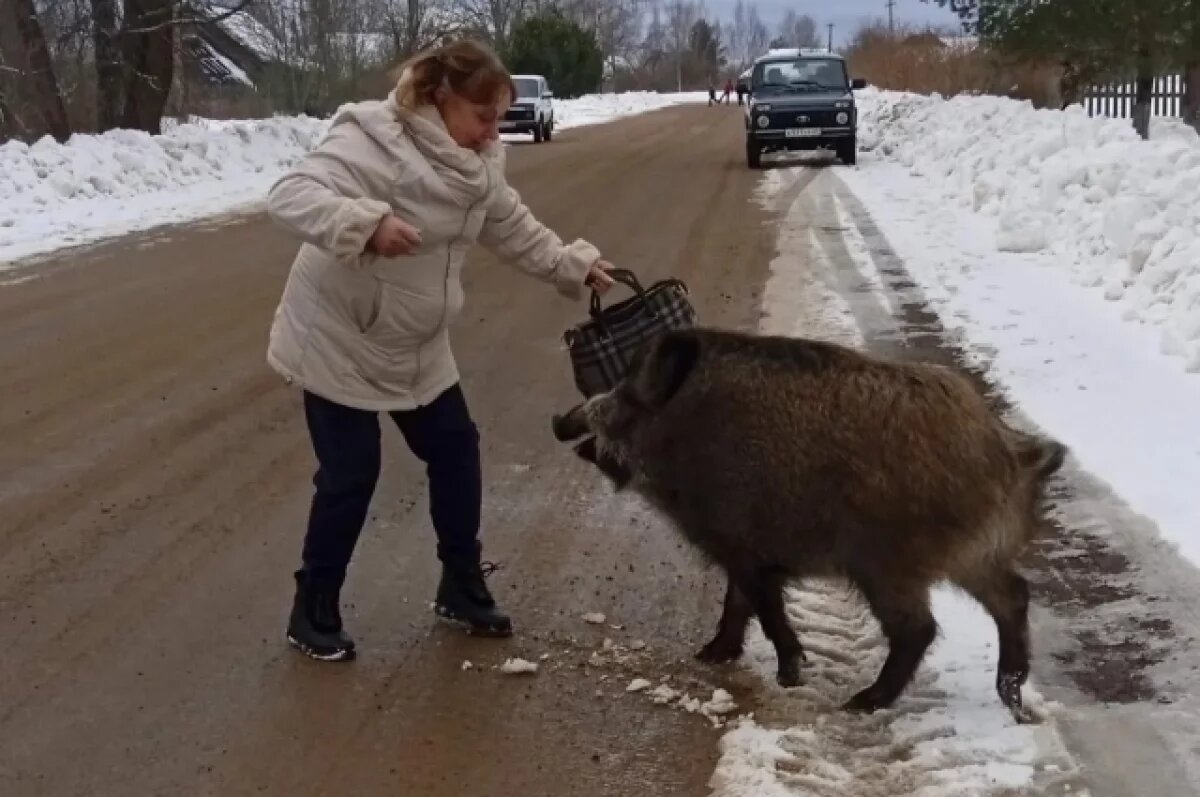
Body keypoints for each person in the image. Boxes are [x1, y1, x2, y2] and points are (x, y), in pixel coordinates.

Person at [263, 37, 616, 662]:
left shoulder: (477, 164)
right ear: (441, 97)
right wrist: (365, 224)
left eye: (499, 120)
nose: (491, 133)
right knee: (351, 474)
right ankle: (312, 604)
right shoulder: (374, 137)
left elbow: (507, 222)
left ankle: (460, 583)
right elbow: (291, 195)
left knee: (455, 450)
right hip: (341, 337)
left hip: (416, 341)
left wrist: (571, 264)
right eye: (483, 118)